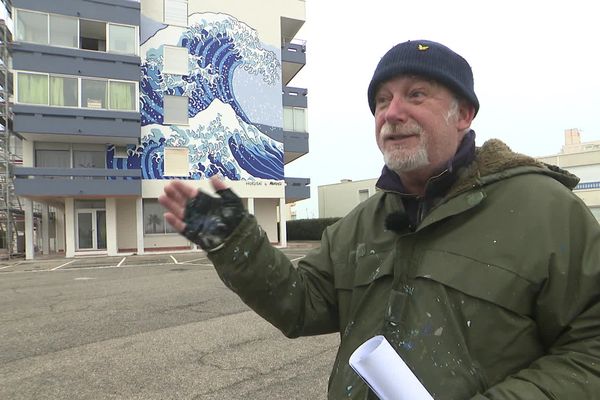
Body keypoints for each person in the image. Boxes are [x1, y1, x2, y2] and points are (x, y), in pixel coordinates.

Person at [159, 40, 600, 399]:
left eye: (416, 94)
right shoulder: (360, 225)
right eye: (382, 101)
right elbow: (300, 306)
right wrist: (236, 241)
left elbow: (590, 351)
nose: (391, 113)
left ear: (464, 114)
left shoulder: (546, 210)